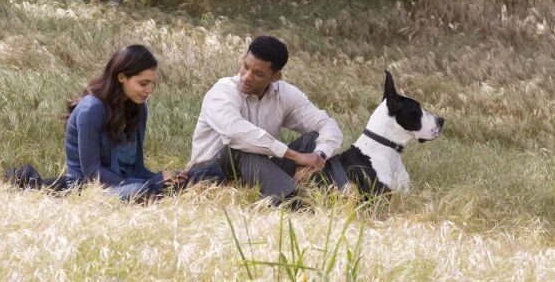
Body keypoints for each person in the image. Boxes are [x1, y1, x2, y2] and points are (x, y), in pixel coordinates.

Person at [187, 35, 348, 205]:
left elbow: (326, 123)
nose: (247, 76)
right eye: (245, 66)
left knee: (313, 140)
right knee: (239, 148)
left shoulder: (284, 94)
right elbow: (236, 134)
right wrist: (296, 157)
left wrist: (319, 155)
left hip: (257, 173)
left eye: (258, 74)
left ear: (275, 76)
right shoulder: (222, 92)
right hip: (209, 175)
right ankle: (292, 205)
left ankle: (345, 199)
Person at [64, 44, 189, 200]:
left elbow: (137, 169)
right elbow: (93, 174)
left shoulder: (139, 107)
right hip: (88, 190)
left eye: (152, 84)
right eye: (143, 84)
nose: (149, 90)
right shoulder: (91, 109)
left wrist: (166, 178)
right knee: (142, 191)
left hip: (129, 185)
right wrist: (151, 183)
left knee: (193, 179)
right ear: (121, 77)